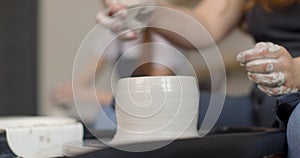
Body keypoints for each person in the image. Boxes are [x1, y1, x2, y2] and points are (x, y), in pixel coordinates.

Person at [97, 0, 300, 157]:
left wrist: (294, 70)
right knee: (134, 109)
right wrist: (150, 11)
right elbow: (207, 23)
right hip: (266, 102)